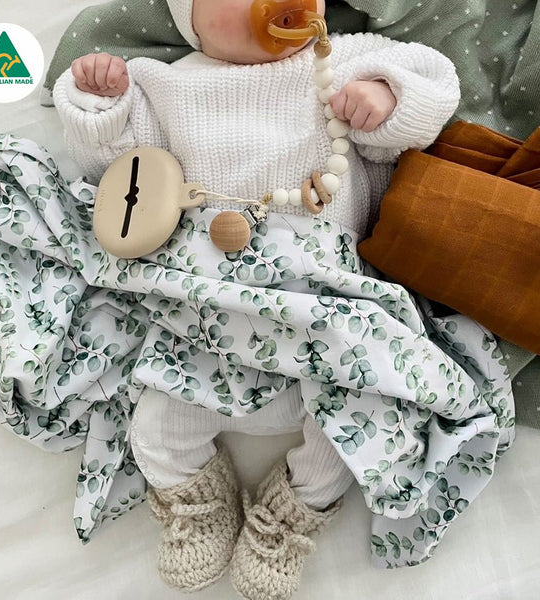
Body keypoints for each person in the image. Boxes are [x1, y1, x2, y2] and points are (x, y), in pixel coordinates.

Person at [53, 1, 460, 598]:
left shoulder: (342, 60)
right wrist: (102, 104)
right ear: (190, 20)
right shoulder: (166, 82)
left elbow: (435, 82)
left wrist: (385, 98)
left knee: (354, 433)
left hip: (323, 306)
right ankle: (194, 498)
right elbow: (118, 173)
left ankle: (293, 514)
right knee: (157, 430)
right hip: (209, 309)